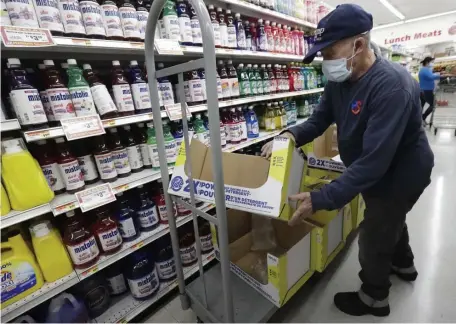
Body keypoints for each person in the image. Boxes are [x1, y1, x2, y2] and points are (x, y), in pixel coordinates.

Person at [261, 4, 434, 317]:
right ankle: (403, 264)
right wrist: (289, 136)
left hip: (402, 173)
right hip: (377, 170)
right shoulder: (340, 80)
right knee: (390, 221)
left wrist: (321, 198)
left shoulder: (390, 85)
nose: (326, 62)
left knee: (374, 233)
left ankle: (374, 297)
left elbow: (373, 163)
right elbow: (319, 120)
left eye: (329, 52)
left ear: (358, 45)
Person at [418, 56, 440, 124]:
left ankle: (419, 120)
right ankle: (423, 117)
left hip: (422, 90)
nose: (432, 63)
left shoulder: (424, 69)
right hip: (426, 91)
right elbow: (431, 77)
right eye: (432, 62)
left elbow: (429, 76)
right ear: (427, 62)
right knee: (433, 105)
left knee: (421, 106)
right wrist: (440, 75)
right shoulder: (425, 70)